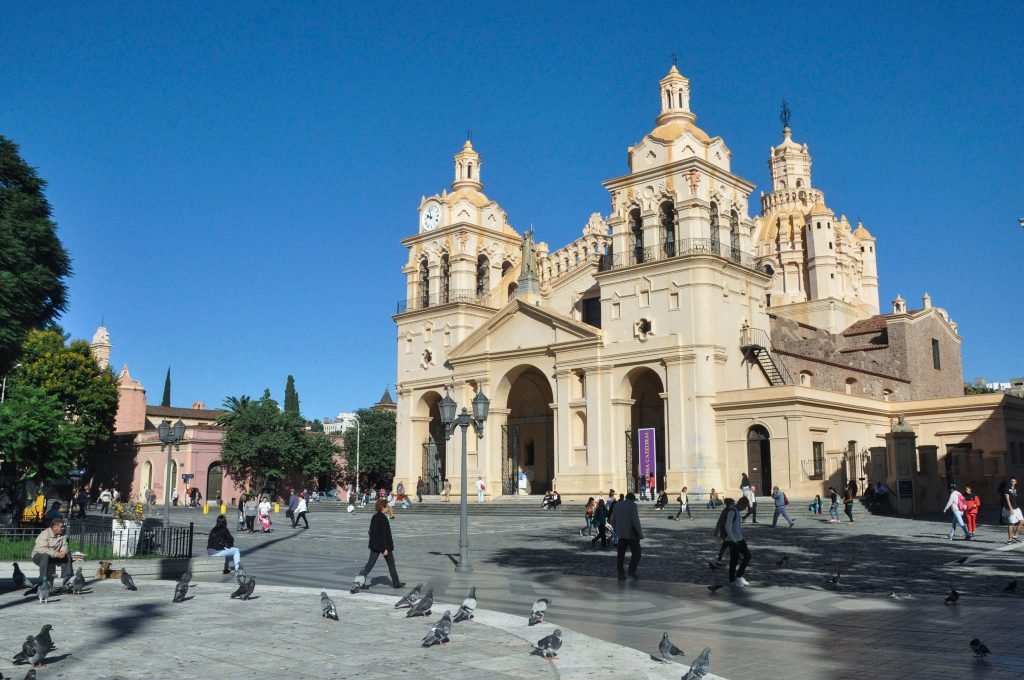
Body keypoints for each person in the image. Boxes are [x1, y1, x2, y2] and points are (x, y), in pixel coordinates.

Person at [358, 498, 405, 589]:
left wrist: (373, 542)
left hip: (375, 546)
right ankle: (396, 584)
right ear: (382, 507)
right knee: (391, 565)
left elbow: (370, 532)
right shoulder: (383, 518)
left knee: (369, 564)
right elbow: (384, 534)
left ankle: (359, 582)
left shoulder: (374, 517)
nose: (387, 508)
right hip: (384, 546)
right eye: (386, 506)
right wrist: (385, 548)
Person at [30, 516, 73, 589]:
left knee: (67, 554)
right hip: (38, 556)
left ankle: (67, 579)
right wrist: (56, 554)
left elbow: (64, 545)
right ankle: (42, 580)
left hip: (54, 556)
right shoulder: (45, 534)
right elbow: (42, 549)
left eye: (63, 527)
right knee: (45, 555)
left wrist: (63, 552)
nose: (63, 528)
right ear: (54, 527)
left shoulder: (62, 535)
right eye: (61, 527)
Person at [610, 491, 643, 580]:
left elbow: (612, 520)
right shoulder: (633, 505)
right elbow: (635, 520)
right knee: (637, 554)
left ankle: (621, 573)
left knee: (620, 555)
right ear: (633, 499)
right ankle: (631, 571)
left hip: (621, 534)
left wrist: (616, 530)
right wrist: (640, 533)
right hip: (632, 533)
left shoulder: (617, 505)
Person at [724, 496, 752, 587]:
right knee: (734, 560)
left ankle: (739, 575)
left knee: (747, 556)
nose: (744, 509)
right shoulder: (732, 511)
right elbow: (728, 527)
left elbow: (736, 527)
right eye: (744, 507)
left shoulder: (737, 511)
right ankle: (732, 580)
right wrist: (733, 540)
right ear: (741, 503)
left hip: (739, 538)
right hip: (733, 540)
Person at [711, 497, 736, 567]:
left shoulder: (727, 510)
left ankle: (737, 558)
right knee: (728, 545)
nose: (734, 504)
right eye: (733, 503)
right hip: (727, 531)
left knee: (727, 545)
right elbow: (721, 521)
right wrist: (717, 529)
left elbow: (720, 520)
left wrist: (717, 529)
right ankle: (720, 560)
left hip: (726, 531)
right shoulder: (728, 511)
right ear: (730, 504)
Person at [1003, 478, 1022, 544]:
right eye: (1011, 481)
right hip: (1011, 508)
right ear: (1010, 482)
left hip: (1017, 508)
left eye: (1014, 481)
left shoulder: (1016, 489)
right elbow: (1007, 500)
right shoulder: (1007, 489)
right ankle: (1009, 540)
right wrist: (1011, 508)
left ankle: (1015, 537)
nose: (1012, 482)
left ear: (1016, 482)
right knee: (1011, 524)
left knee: (1022, 521)